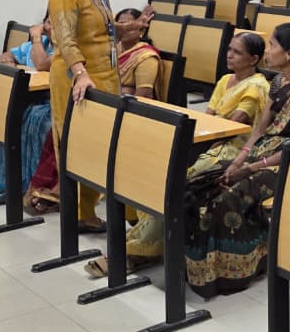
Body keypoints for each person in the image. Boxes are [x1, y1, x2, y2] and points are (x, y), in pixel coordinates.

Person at [86, 30, 270, 279]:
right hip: (208, 142)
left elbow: (233, 124)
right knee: (154, 167)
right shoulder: (226, 79)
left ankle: (132, 251)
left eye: (237, 52)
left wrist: (203, 139)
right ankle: (142, 242)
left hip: (232, 150)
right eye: (229, 49)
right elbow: (209, 117)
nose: (229, 55)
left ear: (253, 59)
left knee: (176, 183)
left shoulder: (257, 86)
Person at [184, 23, 290, 298]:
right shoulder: (277, 82)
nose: (267, 51)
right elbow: (258, 131)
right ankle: (199, 266)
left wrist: (251, 168)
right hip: (259, 153)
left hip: (286, 164)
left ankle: (232, 273)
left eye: (273, 45)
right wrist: (238, 161)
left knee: (226, 199)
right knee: (201, 183)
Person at [38, 0, 151, 230]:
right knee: (79, 145)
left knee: (104, 145)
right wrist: (81, 73)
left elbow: (106, 29)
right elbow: (65, 38)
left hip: (104, 76)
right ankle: (78, 214)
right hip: (77, 78)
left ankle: (98, 211)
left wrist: (133, 26)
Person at [0, 15, 53, 203]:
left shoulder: (66, 49)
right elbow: (6, 55)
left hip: (53, 103)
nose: (52, 27)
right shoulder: (38, 43)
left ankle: (30, 184)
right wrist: (11, 66)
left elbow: (41, 64)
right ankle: (7, 179)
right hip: (31, 99)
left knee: (37, 120)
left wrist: (36, 38)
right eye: (49, 22)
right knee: (11, 117)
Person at [114, 8, 160, 98]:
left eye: (130, 26)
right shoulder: (112, 48)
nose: (124, 30)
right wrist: (124, 90)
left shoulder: (146, 57)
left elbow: (144, 94)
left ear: (142, 31)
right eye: (121, 26)